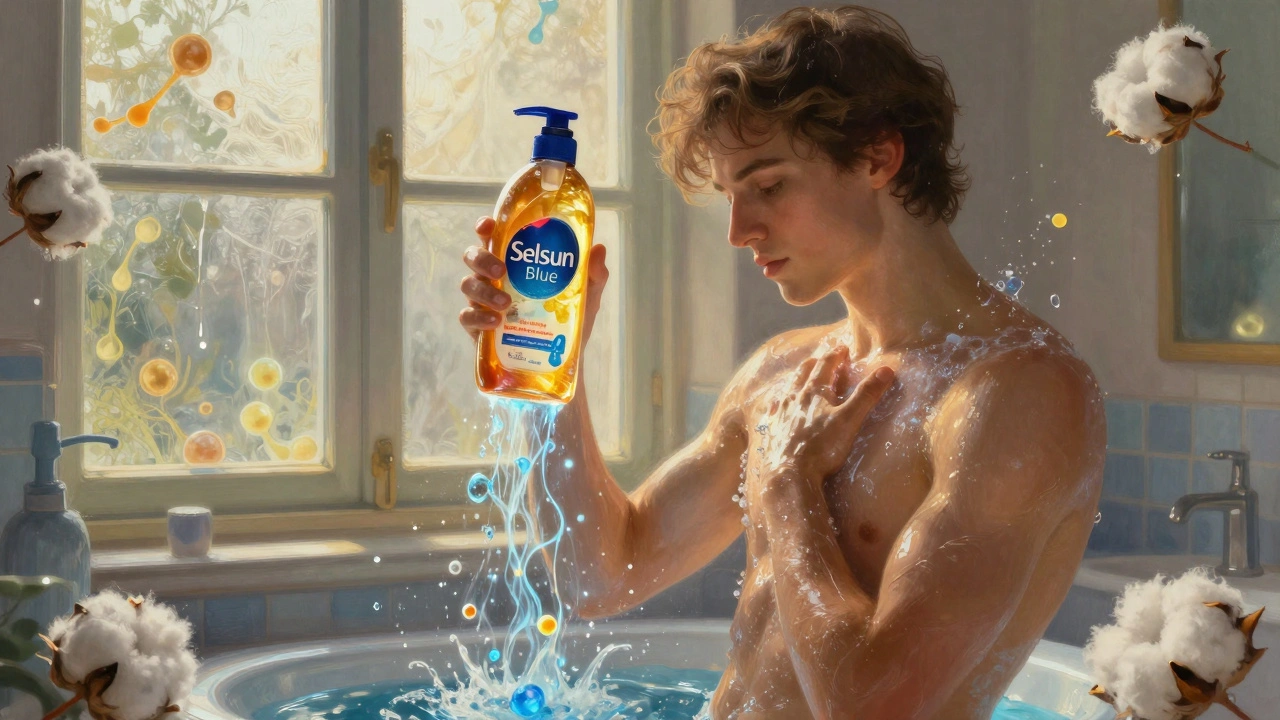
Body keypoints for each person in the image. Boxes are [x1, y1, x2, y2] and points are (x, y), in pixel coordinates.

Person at [458, 6, 1105, 718]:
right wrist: (550, 363)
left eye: (768, 186)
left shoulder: (1021, 394)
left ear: (878, 158)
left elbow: (872, 710)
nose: (739, 231)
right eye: (731, 197)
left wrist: (789, 481)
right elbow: (599, 576)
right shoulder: (782, 374)